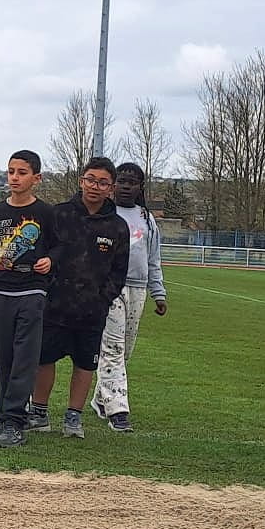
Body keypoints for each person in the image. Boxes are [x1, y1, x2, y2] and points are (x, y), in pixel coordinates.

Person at [30, 156, 129, 439]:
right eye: (90, 180)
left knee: (85, 364)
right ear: (80, 180)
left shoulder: (117, 227)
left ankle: (73, 418)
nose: (94, 187)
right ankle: (39, 412)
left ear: (111, 188)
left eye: (102, 182)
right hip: (54, 305)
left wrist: (102, 300)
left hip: (92, 311)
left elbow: (118, 271)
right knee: (44, 358)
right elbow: (43, 255)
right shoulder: (58, 215)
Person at [0, 150, 55, 449]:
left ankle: (14, 422)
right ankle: (4, 417)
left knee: (25, 359)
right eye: (11, 171)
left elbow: (60, 248)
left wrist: (50, 259)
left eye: (22, 172)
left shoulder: (46, 213)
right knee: (4, 360)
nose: (15, 177)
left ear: (36, 178)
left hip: (32, 293)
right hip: (0, 293)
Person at [94, 160, 169, 433]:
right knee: (112, 347)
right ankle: (118, 410)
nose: (126, 187)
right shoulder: (104, 214)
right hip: (109, 288)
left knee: (125, 350)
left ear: (140, 187)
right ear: (113, 185)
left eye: (132, 182)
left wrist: (158, 293)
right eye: (121, 181)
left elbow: (153, 259)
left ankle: (101, 399)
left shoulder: (147, 219)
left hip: (138, 289)